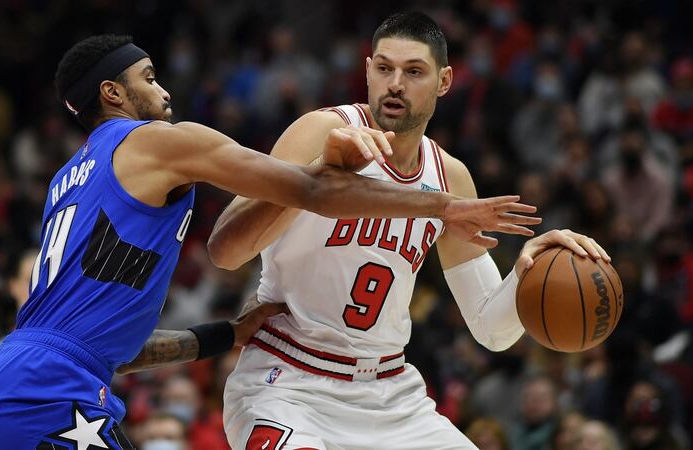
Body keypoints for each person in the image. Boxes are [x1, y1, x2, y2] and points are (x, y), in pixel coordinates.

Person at [0, 34, 538, 449]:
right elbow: (314, 190)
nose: (164, 91)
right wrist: (444, 207)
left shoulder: (71, 179)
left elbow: (114, 350)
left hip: (23, 375)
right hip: (49, 387)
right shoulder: (155, 142)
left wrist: (227, 334)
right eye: (148, 78)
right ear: (113, 94)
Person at [208, 11, 611, 450]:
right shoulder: (322, 130)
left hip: (389, 394)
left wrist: (527, 271)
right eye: (384, 68)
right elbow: (225, 251)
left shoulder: (449, 177)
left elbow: (491, 331)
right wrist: (316, 175)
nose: (395, 83)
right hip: (287, 382)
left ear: (444, 81)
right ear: (367, 71)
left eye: (413, 71)